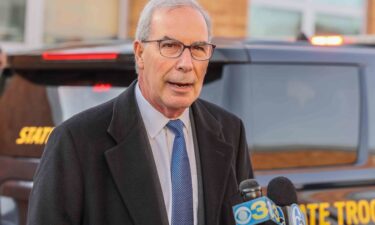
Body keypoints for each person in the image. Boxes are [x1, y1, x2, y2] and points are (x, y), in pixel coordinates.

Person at [26, 0, 253, 225]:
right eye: (170, 46)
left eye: (198, 48)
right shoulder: (75, 141)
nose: (186, 63)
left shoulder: (230, 131)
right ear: (140, 53)